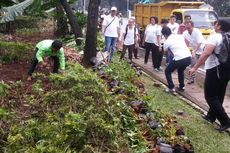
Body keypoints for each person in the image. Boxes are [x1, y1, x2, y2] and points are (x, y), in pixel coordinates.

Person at [189, 19, 230, 132]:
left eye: (215, 23)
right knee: (219, 95)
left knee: (210, 96)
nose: (214, 25)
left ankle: (225, 121)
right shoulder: (227, 36)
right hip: (226, 70)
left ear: (219, 26)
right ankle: (211, 116)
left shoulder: (215, 36)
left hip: (215, 69)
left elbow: (206, 53)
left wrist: (194, 67)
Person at [162, 27, 191, 93]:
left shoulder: (167, 41)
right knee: (180, 70)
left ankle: (171, 87)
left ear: (165, 35)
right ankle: (182, 87)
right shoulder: (179, 36)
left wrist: (170, 53)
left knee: (167, 71)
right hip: (188, 57)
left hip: (179, 58)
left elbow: (165, 53)